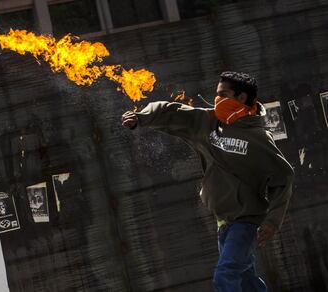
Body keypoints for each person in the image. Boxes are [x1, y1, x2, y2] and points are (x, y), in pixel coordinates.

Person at [121, 71, 294, 292]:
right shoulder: (207, 122)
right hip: (224, 224)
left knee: (225, 276)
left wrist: (271, 222)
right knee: (245, 280)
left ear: (241, 98)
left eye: (223, 94)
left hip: (246, 223)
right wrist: (140, 117)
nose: (217, 99)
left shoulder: (259, 138)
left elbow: (284, 177)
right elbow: (171, 111)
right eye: (216, 94)